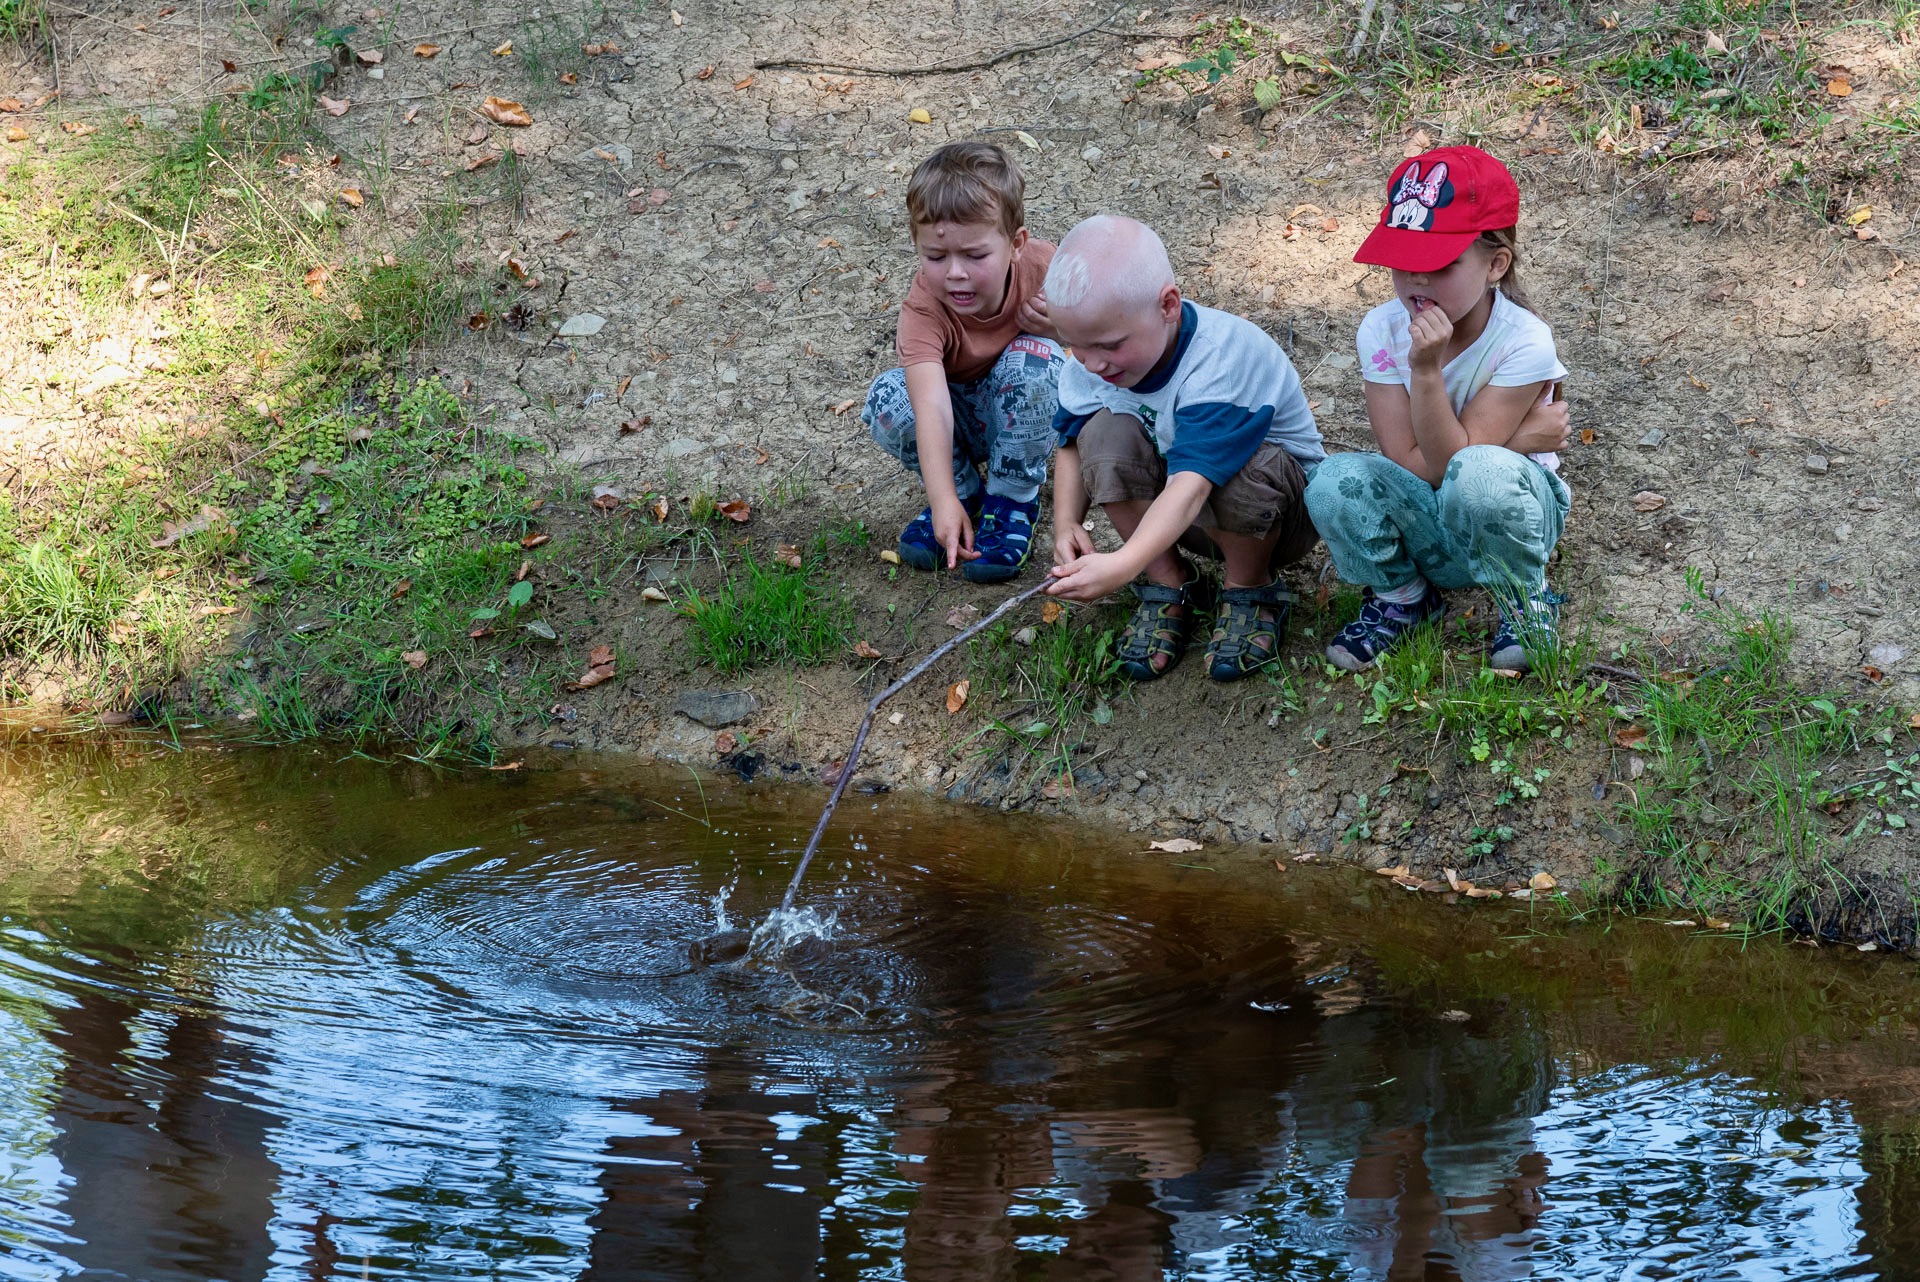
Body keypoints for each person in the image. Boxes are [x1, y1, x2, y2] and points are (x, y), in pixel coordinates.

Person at [1304, 145, 1573, 673]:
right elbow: (1405, 458)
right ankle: (1404, 597)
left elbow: (1460, 464)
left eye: (1439, 265)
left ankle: (1523, 598)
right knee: (1331, 480)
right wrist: (1520, 438)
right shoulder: (1381, 330)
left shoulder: (1525, 342)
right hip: (1430, 520)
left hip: (1508, 518)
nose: (1416, 282)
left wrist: (1425, 372)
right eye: (1402, 264)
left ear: (1496, 264)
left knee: (1479, 471)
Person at [1042, 215, 1325, 683]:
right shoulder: (1094, 358)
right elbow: (1071, 440)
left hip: (1276, 518)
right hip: (1185, 511)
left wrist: (1120, 565)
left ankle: (1248, 588)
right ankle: (1170, 582)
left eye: (1109, 345)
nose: (1091, 363)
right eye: (1074, 347)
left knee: (1241, 470)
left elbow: (1193, 487)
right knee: (1103, 434)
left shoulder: (1219, 362)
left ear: (1168, 305)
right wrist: (1066, 520)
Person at [862, 142, 1062, 581]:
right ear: (917, 247)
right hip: (958, 422)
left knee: (1037, 360)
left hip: (1022, 418)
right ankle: (964, 497)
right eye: (936, 257)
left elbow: (1105, 346)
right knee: (889, 399)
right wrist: (943, 499)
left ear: (1016, 244)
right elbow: (930, 404)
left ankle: (1012, 499)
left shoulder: (1048, 269)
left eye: (975, 255)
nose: (955, 272)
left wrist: (1060, 329)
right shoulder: (923, 310)